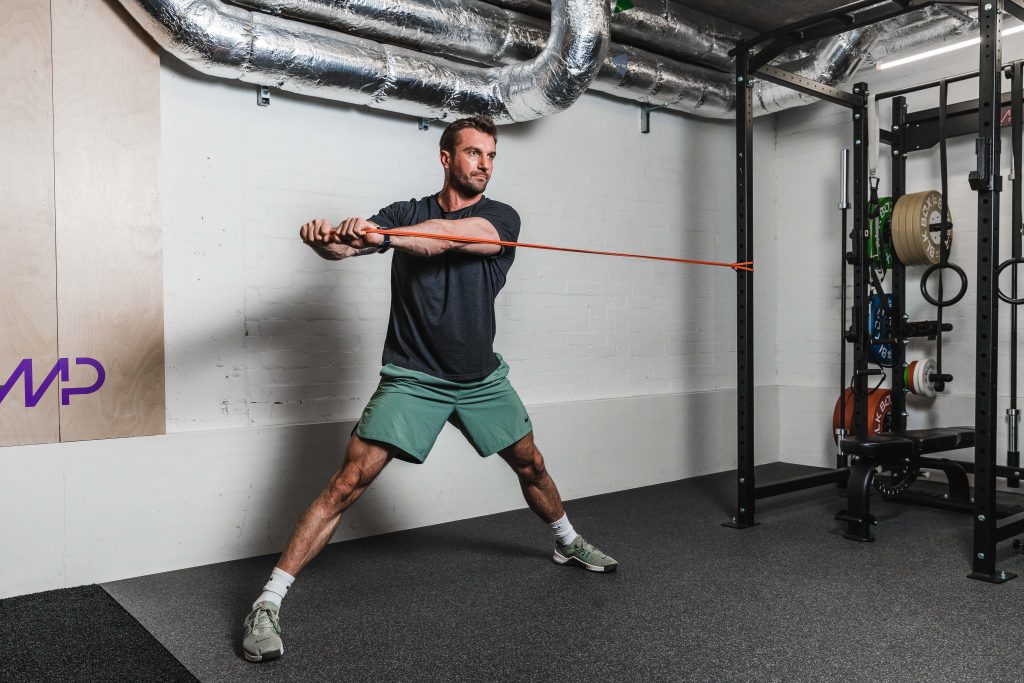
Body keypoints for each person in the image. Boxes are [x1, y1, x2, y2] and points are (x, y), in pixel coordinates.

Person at [241, 116, 618, 663]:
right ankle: (268, 602)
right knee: (347, 484)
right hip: (413, 376)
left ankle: (566, 541)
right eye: (473, 153)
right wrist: (328, 240)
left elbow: (452, 240)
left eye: (491, 155)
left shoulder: (499, 217)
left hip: (480, 378)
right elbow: (349, 250)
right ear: (447, 158)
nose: (485, 164)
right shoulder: (405, 212)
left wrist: (383, 237)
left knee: (531, 464)